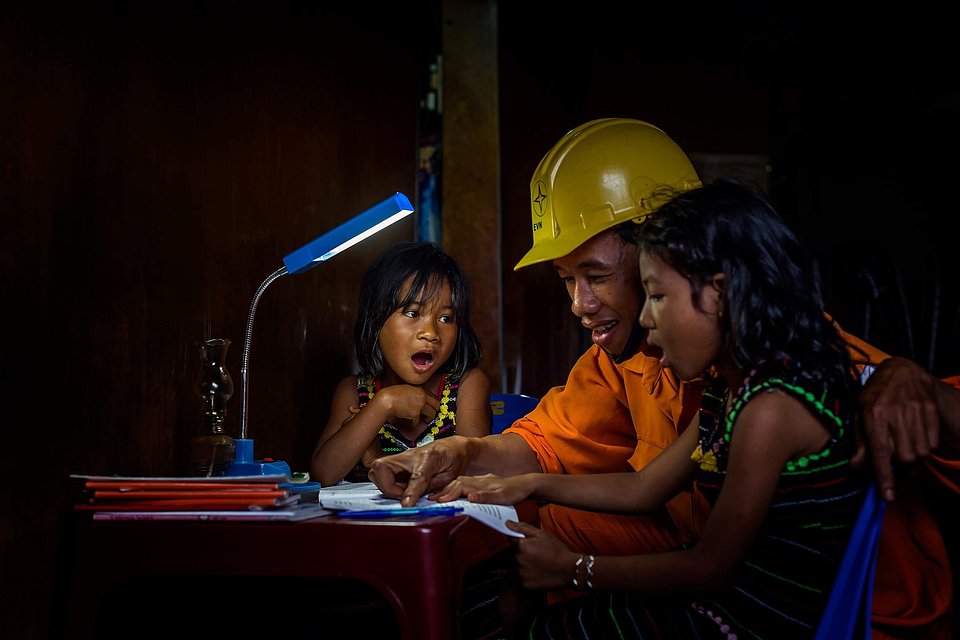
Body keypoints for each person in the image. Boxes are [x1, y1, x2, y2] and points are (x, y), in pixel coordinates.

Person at [368, 119, 960, 637]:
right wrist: (463, 453)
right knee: (528, 522)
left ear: (670, 253)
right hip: (710, 565)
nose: (579, 304)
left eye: (596, 276)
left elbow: (714, 563)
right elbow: (566, 454)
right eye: (565, 280)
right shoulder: (643, 364)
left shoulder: (787, 366)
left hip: (843, 607)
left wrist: (911, 380)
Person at [435, 178, 870, 637]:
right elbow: (645, 487)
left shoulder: (771, 408)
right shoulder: (733, 391)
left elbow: (711, 568)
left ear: (720, 294)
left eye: (658, 297)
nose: (646, 317)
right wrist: (525, 484)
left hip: (748, 623)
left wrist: (576, 569)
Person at [310, 240, 491, 486]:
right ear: (376, 321)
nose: (430, 333)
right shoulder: (354, 393)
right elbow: (324, 475)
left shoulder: (467, 386)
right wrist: (384, 403)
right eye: (413, 313)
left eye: (446, 318)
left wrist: (376, 460)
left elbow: (473, 474)